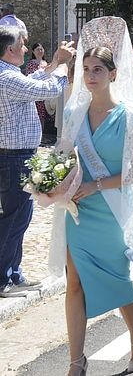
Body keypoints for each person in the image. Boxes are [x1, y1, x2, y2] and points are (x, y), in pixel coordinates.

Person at [52, 18, 133, 375]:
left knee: (121, 281)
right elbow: (63, 157)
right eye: (86, 69)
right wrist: (54, 184)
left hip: (114, 211)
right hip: (79, 211)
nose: (91, 76)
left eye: (98, 69)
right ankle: (77, 360)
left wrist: (96, 185)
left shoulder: (131, 115)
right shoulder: (74, 112)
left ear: (113, 73)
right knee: (73, 282)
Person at [0, 28, 74, 299]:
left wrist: (54, 62)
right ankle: (3, 279)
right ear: (10, 50)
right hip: (14, 157)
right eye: (22, 44)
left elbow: (32, 79)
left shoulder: (8, 73)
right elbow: (47, 88)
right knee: (14, 219)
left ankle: (13, 273)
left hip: (16, 156)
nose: (25, 48)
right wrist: (64, 65)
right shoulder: (6, 77)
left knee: (20, 217)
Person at [24, 42, 49, 129]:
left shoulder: (46, 63)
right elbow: (30, 78)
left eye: (41, 49)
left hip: (45, 96)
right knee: (35, 117)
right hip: (35, 96)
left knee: (42, 118)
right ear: (33, 52)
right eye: (37, 49)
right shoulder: (31, 63)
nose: (40, 51)